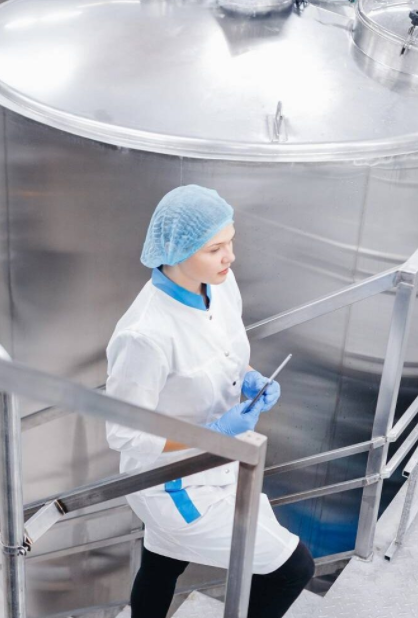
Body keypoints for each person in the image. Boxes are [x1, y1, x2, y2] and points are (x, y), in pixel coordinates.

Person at [105, 185, 314, 618]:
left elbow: (221, 351)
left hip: (224, 460)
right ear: (176, 250)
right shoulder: (145, 335)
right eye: (215, 248)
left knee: (163, 562)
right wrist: (214, 434)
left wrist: (249, 379)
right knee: (292, 568)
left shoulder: (218, 285)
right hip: (173, 482)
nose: (230, 257)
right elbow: (126, 435)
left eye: (230, 242)